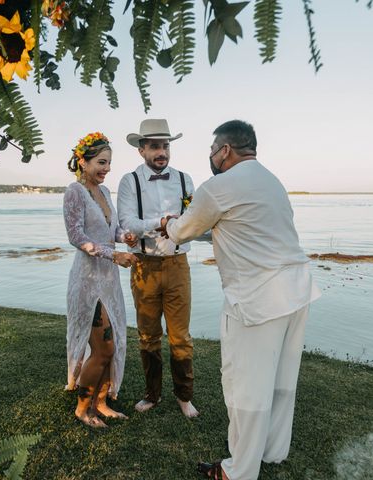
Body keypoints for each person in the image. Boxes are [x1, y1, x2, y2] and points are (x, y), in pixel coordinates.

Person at [159, 120, 321, 479]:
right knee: (281, 381)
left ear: (225, 150)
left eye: (212, 151)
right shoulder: (271, 181)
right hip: (296, 290)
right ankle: (273, 451)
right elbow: (239, 228)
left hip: (257, 297)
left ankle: (239, 471)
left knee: (244, 385)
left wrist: (169, 222)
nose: (211, 158)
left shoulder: (218, 186)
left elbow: (184, 229)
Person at [117, 119, 199, 418]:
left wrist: (180, 227)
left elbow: (193, 220)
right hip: (144, 267)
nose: (161, 151)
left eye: (165, 145)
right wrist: (161, 223)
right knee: (148, 335)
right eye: (154, 146)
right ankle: (152, 394)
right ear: (142, 151)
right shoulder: (129, 182)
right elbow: (127, 224)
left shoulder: (185, 179)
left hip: (178, 265)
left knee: (181, 336)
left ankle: (184, 396)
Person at [63, 131, 140, 428]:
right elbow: (77, 237)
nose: (106, 169)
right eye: (100, 162)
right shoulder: (75, 192)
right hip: (87, 281)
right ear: (82, 162)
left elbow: (113, 229)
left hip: (109, 281)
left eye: (108, 163)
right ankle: (83, 408)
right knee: (103, 347)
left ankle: (102, 402)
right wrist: (114, 255)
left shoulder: (106, 193)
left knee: (115, 341)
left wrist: (125, 236)